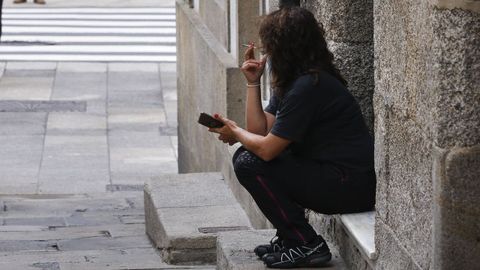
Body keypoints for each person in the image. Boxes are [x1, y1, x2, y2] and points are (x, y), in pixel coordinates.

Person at [208, 6, 376, 269]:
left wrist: (234, 132)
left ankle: (305, 243)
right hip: (334, 177)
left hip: (350, 186)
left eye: (269, 45)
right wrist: (253, 83)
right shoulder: (296, 82)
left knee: (249, 162)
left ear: (283, 47)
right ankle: (290, 237)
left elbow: (266, 151)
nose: (265, 51)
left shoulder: (310, 86)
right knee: (246, 156)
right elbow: (260, 132)